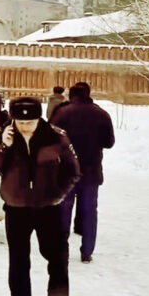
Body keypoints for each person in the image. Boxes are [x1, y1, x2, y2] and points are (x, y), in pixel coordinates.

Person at [0, 97, 80, 296]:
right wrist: (3, 147)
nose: (24, 126)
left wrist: (59, 193)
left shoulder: (56, 136)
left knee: (55, 254)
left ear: (39, 119)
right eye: (20, 122)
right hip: (17, 209)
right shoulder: (4, 134)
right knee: (18, 262)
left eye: (30, 122)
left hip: (48, 208)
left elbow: (73, 170)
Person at [50, 82, 115, 264]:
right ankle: (87, 252)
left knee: (63, 210)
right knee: (89, 211)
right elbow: (109, 142)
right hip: (91, 171)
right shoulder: (101, 114)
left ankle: (60, 250)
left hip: (66, 171)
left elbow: (49, 138)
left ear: (71, 95)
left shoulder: (63, 113)